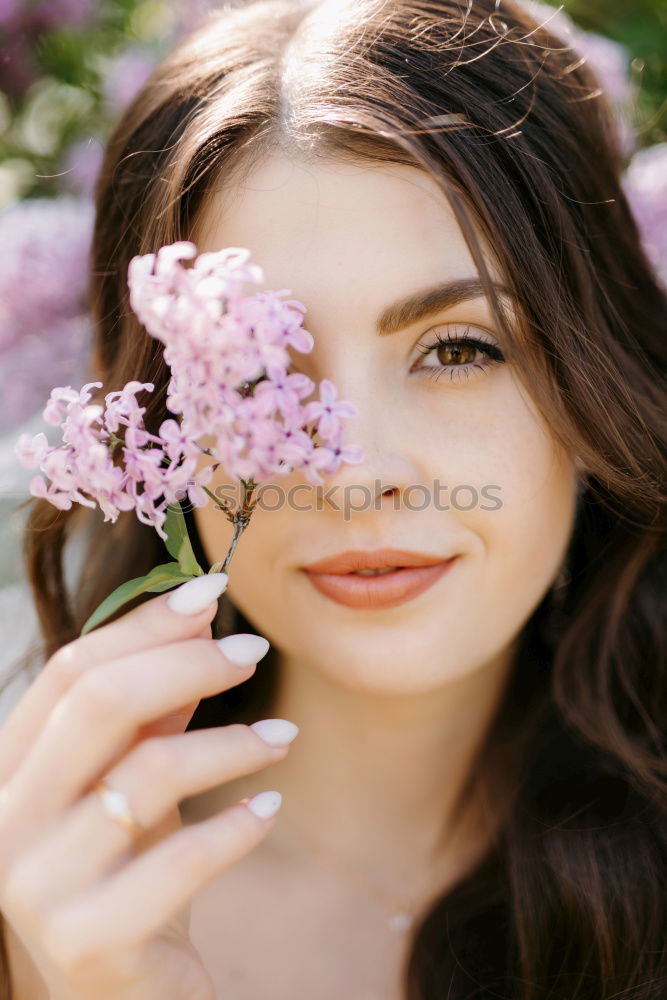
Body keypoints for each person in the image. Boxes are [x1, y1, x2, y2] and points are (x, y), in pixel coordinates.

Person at [1, 0, 665, 997]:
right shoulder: (46, 912)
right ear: (148, 423)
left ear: (596, 376)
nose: (350, 472)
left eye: (458, 350)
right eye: (259, 374)